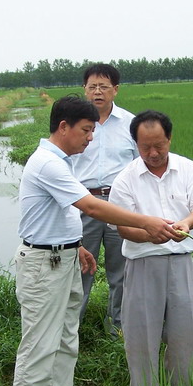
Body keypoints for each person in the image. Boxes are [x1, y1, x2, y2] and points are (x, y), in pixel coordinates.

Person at [9, 95, 179, 386]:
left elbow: (58, 214)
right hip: (43, 265)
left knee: (66, 338)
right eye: (86, 130)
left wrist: (76, 245)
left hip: (63, 258)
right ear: (64, 127)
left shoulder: (62, 161)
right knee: (40, 344)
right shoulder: (48, 163)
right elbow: (89, 206)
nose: (90, 138)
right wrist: (146, 222)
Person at [109, 110, 193, 386]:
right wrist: (147, 235)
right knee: (142, 335)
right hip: (143, 264)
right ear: (136, 145)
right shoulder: (125, 179)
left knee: (184, 332)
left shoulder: (188, 169)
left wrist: (186, 224)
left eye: (159, 146)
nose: (153, 153)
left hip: (181, 262)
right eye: (145, 147)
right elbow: (122, 227)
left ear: (169, 139)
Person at [71, 63, 137, 337]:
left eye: (104, 86)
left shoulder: (131, 124)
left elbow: (140, 166)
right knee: (80, 269)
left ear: (116, 90)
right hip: (83, 204)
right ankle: (71, 329)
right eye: (92, 86)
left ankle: (118, 326)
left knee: (121, 269)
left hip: (119, 205)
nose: (98, 92)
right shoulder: (74, 125)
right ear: (84, 89)